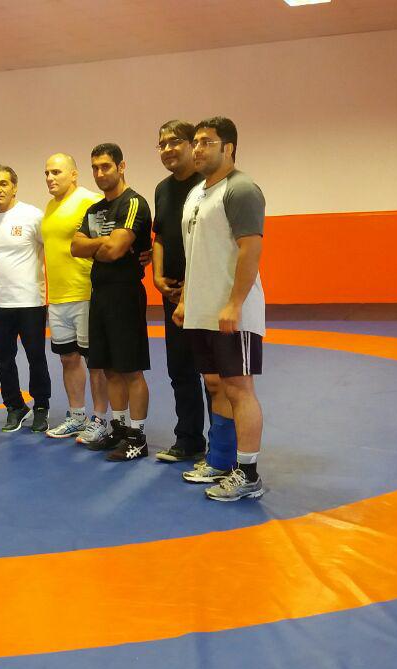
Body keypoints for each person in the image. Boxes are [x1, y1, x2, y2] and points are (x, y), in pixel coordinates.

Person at [174, 116, 269, 501]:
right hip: (202, 310)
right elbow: (195, 253)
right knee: (215, 384)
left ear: (228, 148)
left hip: (233, 312)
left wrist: (235, 303)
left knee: (239, 388)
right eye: (195, 142)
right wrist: (186, 300)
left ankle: (249, 475)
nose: (197, 149)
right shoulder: (197, 193)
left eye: (206, 142)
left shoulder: (241, 189)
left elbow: (251, 249)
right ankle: (221, 460)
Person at [71, 143, 153, 462]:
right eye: (95, 167)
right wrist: (103, 242)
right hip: (100, 294)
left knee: (130, 369)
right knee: (109, 368)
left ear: (121, 166)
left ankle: (137, 437)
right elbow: (75, 247)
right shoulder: (94, 209)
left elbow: (116, 250)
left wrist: (100, 245)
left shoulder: (133, 203)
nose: (99, 173)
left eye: (105, 166)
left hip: (125, 294)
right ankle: (119, 430)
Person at [152, 120, 213, 466]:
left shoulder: (207, 186)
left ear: (192, 145)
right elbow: (160, 236)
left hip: (204, 292)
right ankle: (188, 438)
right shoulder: (163, 189)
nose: (168, 149)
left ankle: (221, 447)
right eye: (162, 144)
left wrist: (190, 291)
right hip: (172, 292)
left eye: (175, 142)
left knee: (212, 373)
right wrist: (157, 277)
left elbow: (206, 244)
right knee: (180, 369)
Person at [39, 153, 110, 441]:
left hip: (85, 293)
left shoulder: (90, 201)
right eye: (46, 173)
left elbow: (109, 241)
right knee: (68, 358)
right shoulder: (49, 206)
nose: (50, 178)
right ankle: (77, 416)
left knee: (95, 362)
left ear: (73, 174)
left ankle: (100, 420)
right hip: (57, 297)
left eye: (56, 172)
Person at [0, 164, 51, 432]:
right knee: (2, 359)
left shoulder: (33, 216)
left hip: (30, 301)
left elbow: (53, 247)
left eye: (4, 183)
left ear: (14, 186)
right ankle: (15, 406)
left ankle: (41, 406)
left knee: (35, 357)